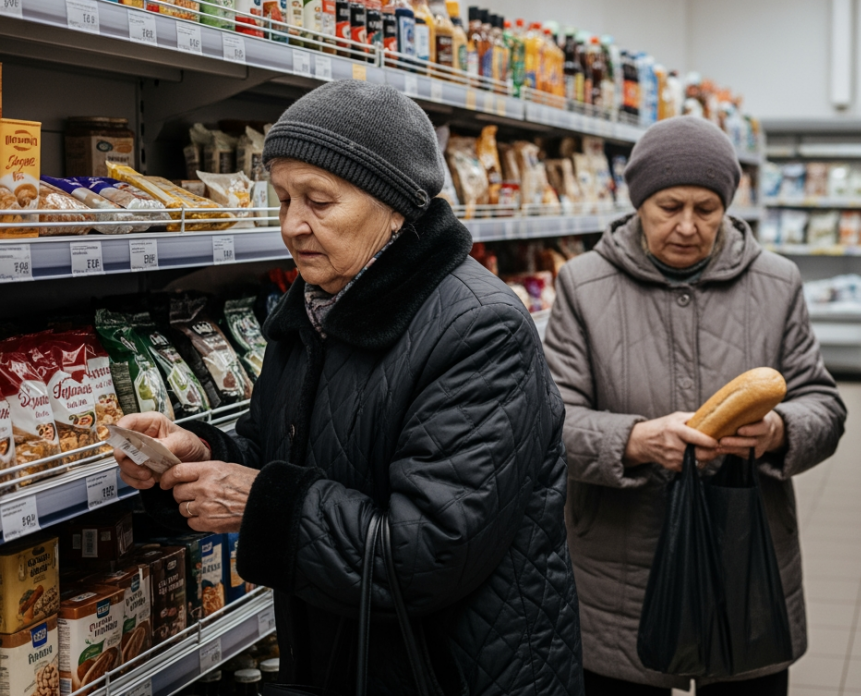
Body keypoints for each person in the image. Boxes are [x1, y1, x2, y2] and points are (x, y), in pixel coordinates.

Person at [112, 81, 582, 696]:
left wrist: (259, 504)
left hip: (457, 672)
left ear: (397, 206)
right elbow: (280, 456)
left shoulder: (479, 328)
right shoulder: (314, 310)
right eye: (283, 199)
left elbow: (428, 553)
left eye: (319, 201)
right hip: (342, 656)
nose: (292, 226)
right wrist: (201, 454)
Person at [543, 115, 847, 696]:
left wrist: (779, 431)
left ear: (727, 206)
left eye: (706, 209)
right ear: (638, 203)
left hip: (744, 552)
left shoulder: (777, 282)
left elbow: (825, 406)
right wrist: (635, 441)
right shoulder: (583, 284)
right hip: (621, 568)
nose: (687, 226)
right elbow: (551, 423)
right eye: (669, 207)